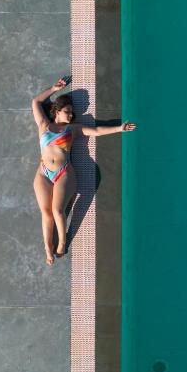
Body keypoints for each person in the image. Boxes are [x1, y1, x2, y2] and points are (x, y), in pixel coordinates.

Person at [32, 78, 136, 265]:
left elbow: (96, 131)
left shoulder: (73, 129)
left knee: (57, 210)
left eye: (72, 112)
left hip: (63, 172)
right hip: (43, 173)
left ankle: (62, 242)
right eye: (67, 111)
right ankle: (48, 248)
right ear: (57, 111)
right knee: (46, 213)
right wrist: (54, 88)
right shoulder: (43, 125)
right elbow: (36, 102)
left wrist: (119, 128)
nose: (71, 115)